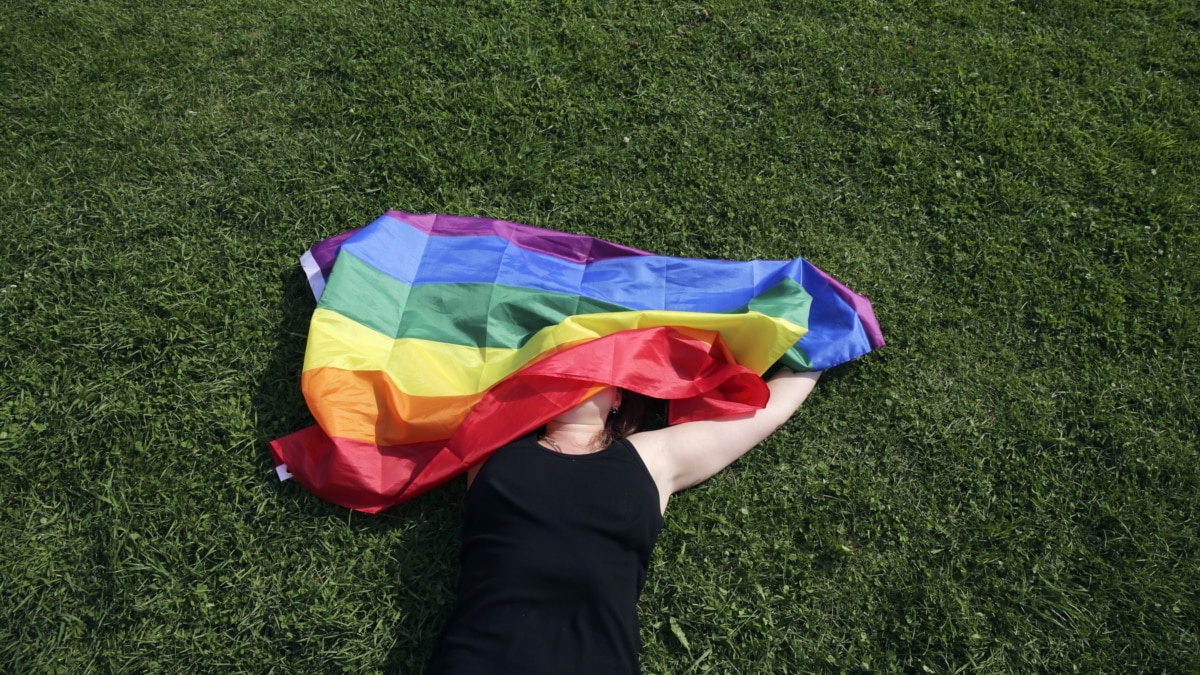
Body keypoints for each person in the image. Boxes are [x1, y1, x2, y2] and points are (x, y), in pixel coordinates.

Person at [424, 366, 824, 675]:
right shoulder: (489, 448)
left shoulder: (653, 458)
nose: (576, 376)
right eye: (560, 370)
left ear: (617, 395)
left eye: (591, 369)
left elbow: (765, 412)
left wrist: (824, 345)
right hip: (478, 660)